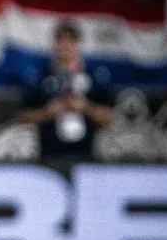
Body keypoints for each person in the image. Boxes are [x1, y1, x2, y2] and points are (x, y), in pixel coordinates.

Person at [17, 21, 114, 158]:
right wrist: (47, 112)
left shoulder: (94, 76)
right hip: (49, 155)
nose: (66, 45)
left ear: (78, 44)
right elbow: (22, 117)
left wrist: (86, 108)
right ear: (55, 44)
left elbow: (109, 118)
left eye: (71, 40)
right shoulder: (40, 76)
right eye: (61, 40)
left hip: (85, 155)